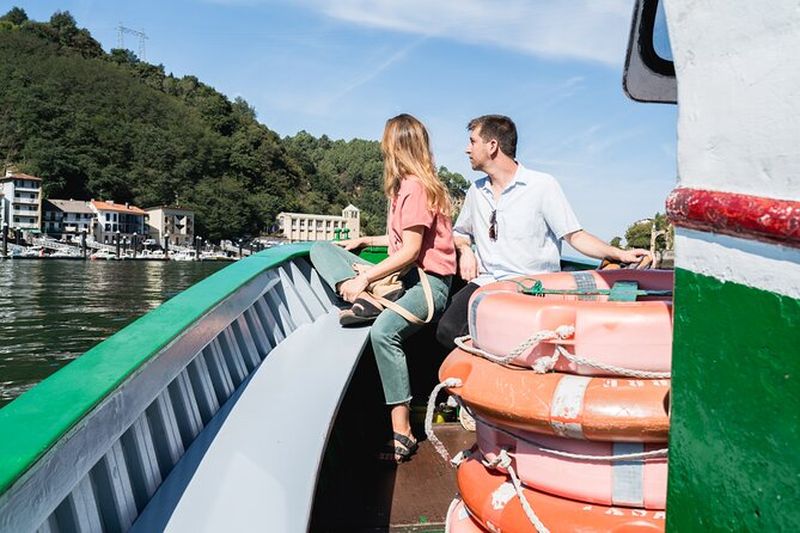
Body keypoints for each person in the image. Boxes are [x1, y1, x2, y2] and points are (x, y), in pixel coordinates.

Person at [310, 114, 456, 463]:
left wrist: (366, 278)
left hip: (427, 285)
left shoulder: (416, 188)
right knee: (321, 249)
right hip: (402, 279)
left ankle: (402, 431)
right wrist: (366, 239)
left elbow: (410, 251)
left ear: (396, 146)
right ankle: (364, 299)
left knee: (383, 334)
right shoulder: (404, 187)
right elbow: (401, 241)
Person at [436, 115, 650, 350]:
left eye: (472, 141)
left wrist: (618, 254)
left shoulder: (542, 186)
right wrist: (465, 249)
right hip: (487, 283)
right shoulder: (476, 191)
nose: (467, 149)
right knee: (446, 330)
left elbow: (575, 236)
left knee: (510, 339)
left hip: (532, 286)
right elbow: (460, 233)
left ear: (492, 146)